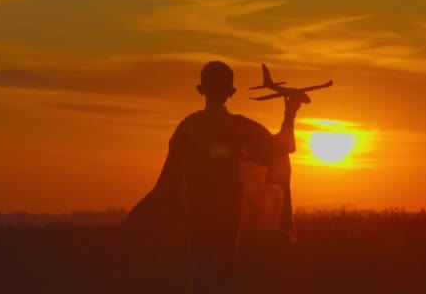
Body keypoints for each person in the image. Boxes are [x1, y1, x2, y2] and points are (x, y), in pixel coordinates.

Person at [125, 61, 301, 293]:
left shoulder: (187, 127)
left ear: (201, 90)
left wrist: (144, 216)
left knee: (201, 273)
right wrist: (290, 113)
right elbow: (282, 146)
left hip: (197, 214)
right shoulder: (239, 127)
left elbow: (169, 180)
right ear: (231, 93)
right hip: (228, 214)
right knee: (224, 274)